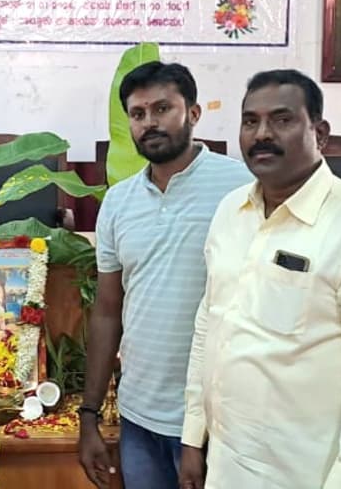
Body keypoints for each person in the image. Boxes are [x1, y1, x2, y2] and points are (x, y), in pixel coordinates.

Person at [178, 70, 341, 489]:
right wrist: (194, 435)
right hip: (225, 462)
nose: (262, 134)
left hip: (306, 473)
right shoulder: (230, 211)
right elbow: (209, 322)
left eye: (282, 120)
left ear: (321, 133)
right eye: (250, 121)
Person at [77, 61, 253, 489]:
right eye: (138, 114)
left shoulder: (242, 187)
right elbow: (107, 311)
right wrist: (89, 415)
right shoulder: (118, 202)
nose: (149, 123)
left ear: (193, 113)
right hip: (139, 418)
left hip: (219, 422)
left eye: (162, 109)